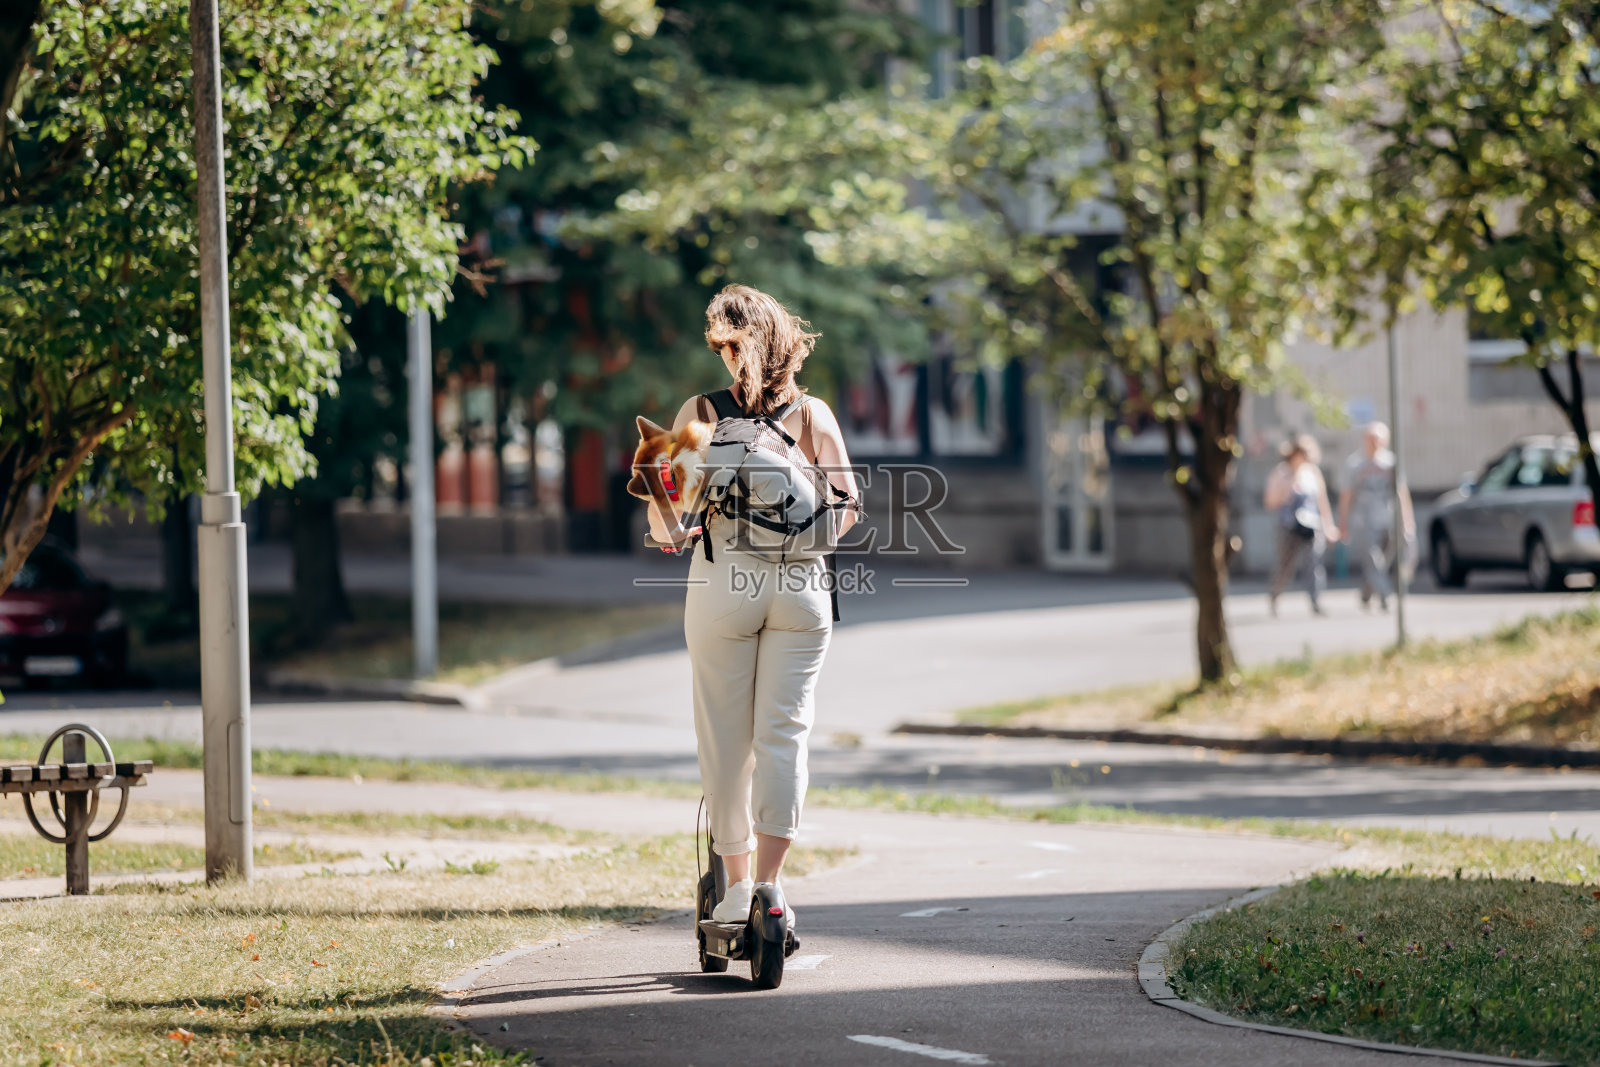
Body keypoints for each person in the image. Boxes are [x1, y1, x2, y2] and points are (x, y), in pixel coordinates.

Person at [644, 284, 861, 927]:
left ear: (736, 345)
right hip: (802, 590)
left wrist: (671, 530)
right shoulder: (814, 414)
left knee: (725, 740)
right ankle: (772, 888)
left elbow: (666, 512)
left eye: (723, 344)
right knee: (784, 735)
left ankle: (737, 886)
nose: (721, 357)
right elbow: (846, 511)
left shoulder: (700, 411)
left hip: (723, 584)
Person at [1337, 421, 1415, 612]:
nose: (1375, 443)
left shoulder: (1391, 462)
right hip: (1363, 521)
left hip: (1388, 519)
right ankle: (1386, 595)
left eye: (1379, 439)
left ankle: (1367, 591)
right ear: (1365, 440)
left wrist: (1407, 521)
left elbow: (1402, 493)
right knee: (1373, 559)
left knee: (1382, 562)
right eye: (1372, 439)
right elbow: (1346, 496)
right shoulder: (1355, 464)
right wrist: (1343, 524)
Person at [1264, 434, 1338, 616]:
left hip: (1311, 525)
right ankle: (1275, 596)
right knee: (1285, 565)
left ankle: (1316, 601)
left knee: (1313, 563)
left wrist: (1328, 526)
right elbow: (1270, 501)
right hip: (1288, 526)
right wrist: (1288, 488)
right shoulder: (1281, 472)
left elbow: (1322, 501)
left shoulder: (1312, 472)